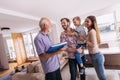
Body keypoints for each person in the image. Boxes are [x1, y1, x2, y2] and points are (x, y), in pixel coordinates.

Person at [84, 15, 107, 80]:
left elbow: (93, 45)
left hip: (96, 56)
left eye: (87, 21)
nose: (85, 22)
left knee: (101, 76)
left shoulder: (92, 31)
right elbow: (90, 44)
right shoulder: (89, 31)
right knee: (99, 75)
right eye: (85, 21)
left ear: (92, 22)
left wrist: (85, 40)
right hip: (93, 56)